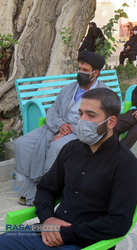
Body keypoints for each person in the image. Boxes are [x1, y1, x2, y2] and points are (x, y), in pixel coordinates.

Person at [0, 88, 137, 249]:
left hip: (85, 242)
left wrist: (65, 234)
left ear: (111, 122)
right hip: (47, 230)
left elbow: (118, 223)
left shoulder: (125, 163)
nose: (82, 120)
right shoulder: (71, 149)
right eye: (80, 114)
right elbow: (46, 189)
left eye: (91, 115)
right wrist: (47, 219)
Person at [14, 50, 108, 206]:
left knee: (58, 146)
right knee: (22, 143)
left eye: (84, 70)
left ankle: (48, 188)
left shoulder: (104, 94)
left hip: (80, 132)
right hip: (56, 127)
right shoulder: (69, 88)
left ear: (95, 73)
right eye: (79, 69)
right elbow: (53, 110)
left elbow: (98, 122)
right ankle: (32, 184)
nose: (80, 73)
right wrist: (60, 126)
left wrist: (68, 131)